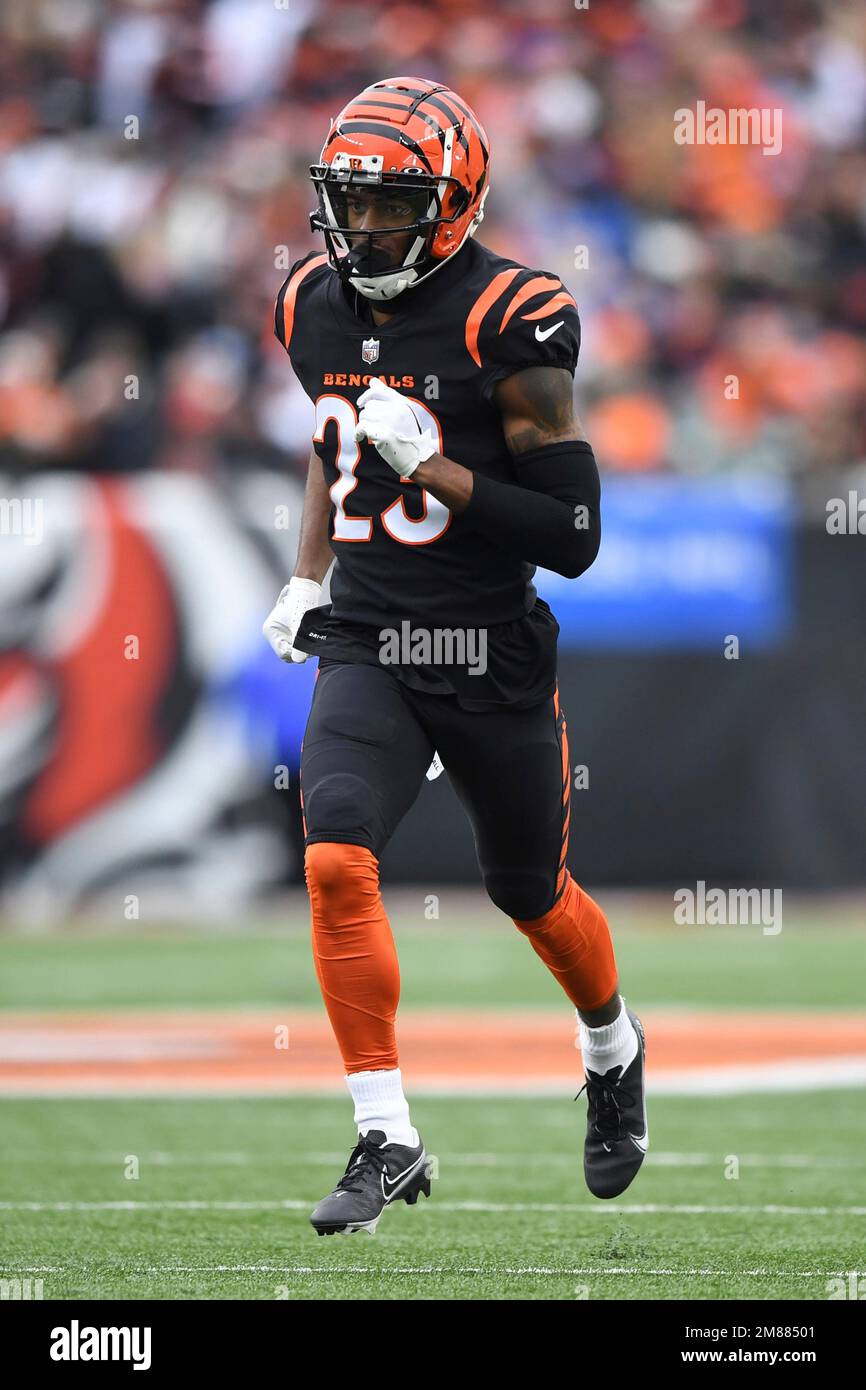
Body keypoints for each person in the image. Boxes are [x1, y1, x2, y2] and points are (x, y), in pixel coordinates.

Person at [264, 76, 647, 1237]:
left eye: (388, 204)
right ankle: (386, 1134)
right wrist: (308, 572)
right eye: (351, 200)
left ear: (450, 202)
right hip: (370, 636)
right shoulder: (307, 303)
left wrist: (433, 469)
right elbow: (329, 445)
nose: (362, 226)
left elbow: (571, 538)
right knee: (335, 858)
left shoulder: (509, 317)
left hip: (486, 646)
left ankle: (611, 1049)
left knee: (526, 888)